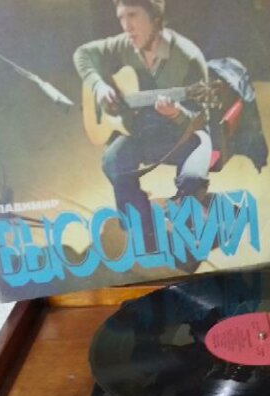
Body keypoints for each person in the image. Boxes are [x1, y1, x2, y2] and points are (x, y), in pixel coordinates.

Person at [74, 0, 212, 254]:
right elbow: (82, 54)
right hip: (146, 129)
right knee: (113, 161)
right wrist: (99, 86)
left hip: (186, 133)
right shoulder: (124, 43)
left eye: (133, 16)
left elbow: (202, 117)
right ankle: (143, 229)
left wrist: (177, 113)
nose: (126, 26)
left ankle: (193, 218)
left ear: (155, 17)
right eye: (121, 17)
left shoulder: (188, 56)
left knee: (191, 180)